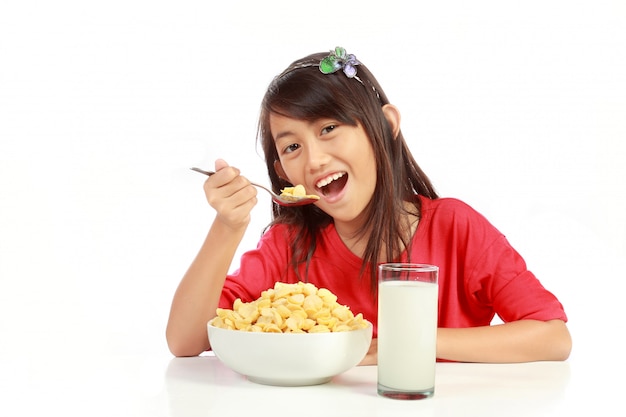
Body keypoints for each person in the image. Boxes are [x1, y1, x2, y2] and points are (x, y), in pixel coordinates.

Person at [166, 47, 572, 364]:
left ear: (387, 125)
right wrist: (227, 226)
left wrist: (402, 344)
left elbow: (552, 337)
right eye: (292, 147)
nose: (314, 160)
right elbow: (186, 341)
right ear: (283, 173)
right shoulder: (290, 245)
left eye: (329, 128)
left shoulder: (454, 227)